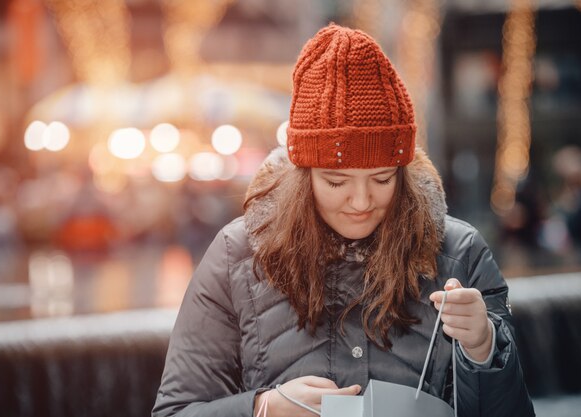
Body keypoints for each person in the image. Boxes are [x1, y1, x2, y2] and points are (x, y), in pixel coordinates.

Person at [152, 24, 534, 417]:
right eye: (336, 181)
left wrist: (484, 349)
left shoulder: (460, 253)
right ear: (304, 176)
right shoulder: (236, 256)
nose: (361, 201)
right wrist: (263, 409)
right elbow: (175, 411)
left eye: (382, 179)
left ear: (402, 172)